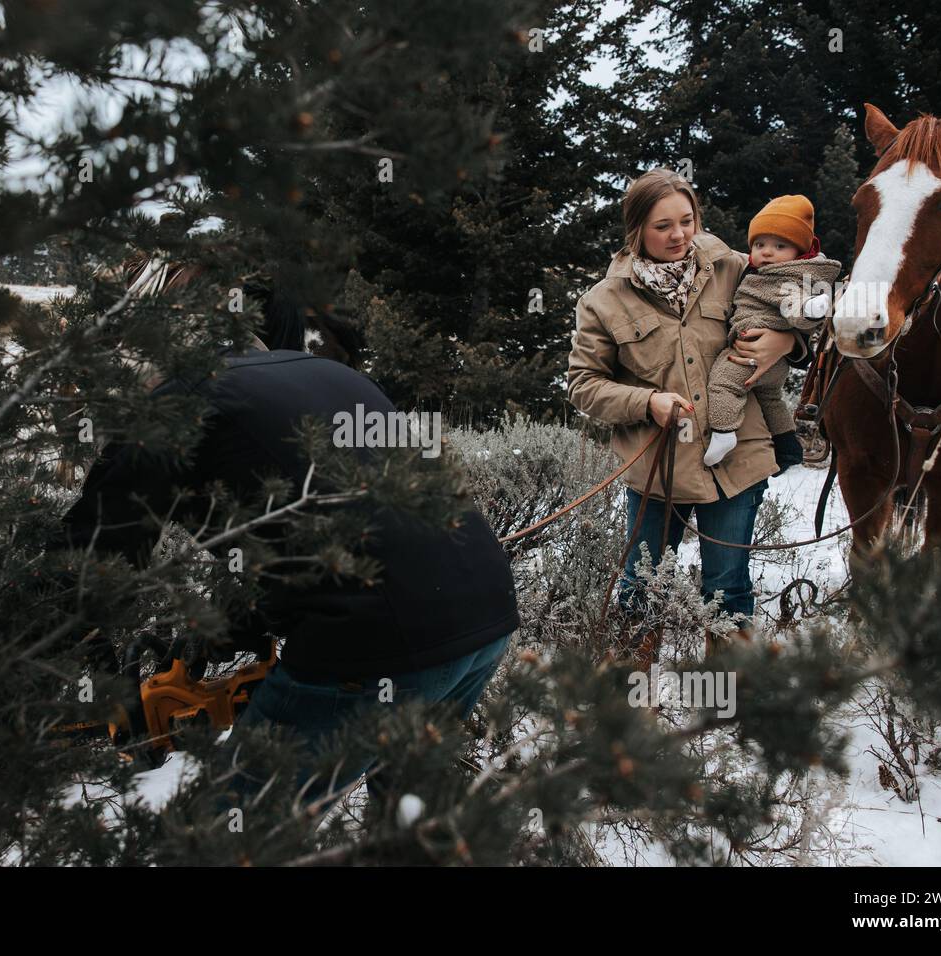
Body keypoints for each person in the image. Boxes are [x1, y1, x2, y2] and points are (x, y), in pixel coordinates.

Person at [52, 288, 520, 802]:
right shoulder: (327, 375)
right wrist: (230, 626)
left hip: (374, 637)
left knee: (230, 834)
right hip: (485, 609)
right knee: (406, 819)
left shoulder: (170, 408)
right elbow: (320, 515)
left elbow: (92, 564)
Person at [566, 169, 810, 661]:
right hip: (657, 467)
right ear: (635, 230)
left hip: (737, 460)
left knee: (727, 586)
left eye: (688, 220)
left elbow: (796, 307)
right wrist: (646, 402)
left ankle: (727, 697)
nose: (679, 235)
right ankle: (633, 696)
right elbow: (583, 386)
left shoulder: (736, 268)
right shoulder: (602, 302)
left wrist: (789, 340)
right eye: (663, 226)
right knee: (642, 586)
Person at [703, 195, 842, 468]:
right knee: (771, 399)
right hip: (773, 366)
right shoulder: (759, 272)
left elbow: (791, 303)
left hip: (746, 355)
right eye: (759, 244)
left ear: (799, 253)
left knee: (722, 384)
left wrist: (810, 310)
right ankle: (787, 442)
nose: (766, 252)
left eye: (779, 245)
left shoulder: (777, 278)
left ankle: (723, 431)